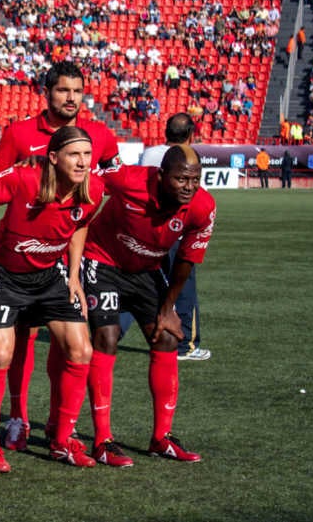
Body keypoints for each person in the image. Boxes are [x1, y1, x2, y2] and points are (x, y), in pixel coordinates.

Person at [0, 62, 119, 454]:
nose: (71, 98)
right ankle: (18, 418)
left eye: (77, 91)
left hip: (59, 266)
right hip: (15, 263)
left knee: (71, 345)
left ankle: (62, 429)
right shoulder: (19, 134)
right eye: (63, 90)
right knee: (18, 342)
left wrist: (75, 272)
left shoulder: (101, 136)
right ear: (47, 92)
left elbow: (97, 199)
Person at [0, 127, 104, 468]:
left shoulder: (94, 188)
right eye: (74, 155)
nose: (82, 162)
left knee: (82, 350)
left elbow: (80, 225)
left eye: (87, 155)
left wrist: (74, 274)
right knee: (2, 353)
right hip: (5, 276)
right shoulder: (23, 180)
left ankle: (62, 440)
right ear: (53, 157)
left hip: (51, 276)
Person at [83, 145, 215, 466]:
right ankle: (102, 441)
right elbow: (84, 185)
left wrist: (168, 308)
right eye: (181, 179)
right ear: (161, 174)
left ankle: (161, 438)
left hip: (147, 270)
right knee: (108, 336)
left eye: (195, 179)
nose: (188, 186)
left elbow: (187, 259)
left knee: (167, 337)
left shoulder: (203, 206)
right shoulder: (127, 180)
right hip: (102, 261)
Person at [139, 113, 208, 361]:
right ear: (191, 135)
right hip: (176, 233)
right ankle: (186, 345)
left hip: (146, 232)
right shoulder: (190, 159)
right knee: (184, 288)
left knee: (145, 285)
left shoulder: (149, 154)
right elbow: (196, 200)